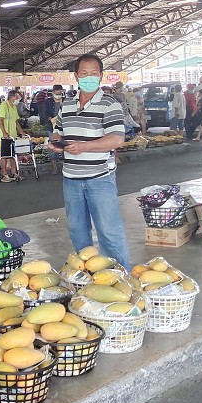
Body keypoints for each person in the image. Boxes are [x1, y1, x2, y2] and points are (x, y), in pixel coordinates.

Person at [50, 54, 129, 269]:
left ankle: (122, 278)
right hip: (71, 180)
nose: (89, 77)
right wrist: (55, 142)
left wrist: (84, 146)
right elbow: (58, 132)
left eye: (94, 73)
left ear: (101, 76)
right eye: (84, 73)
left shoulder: (109, 104)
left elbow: (117, 139)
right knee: (78, 233)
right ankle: (87, 279)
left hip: (100, 179)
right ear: (76, 76)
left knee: (109, 233)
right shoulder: (66, 105)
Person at [0, 90, 25, 183]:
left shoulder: (14, 107)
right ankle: (4, 174)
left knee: (13, 155)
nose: (18, 100)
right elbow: (0, 120)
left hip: (13, 135)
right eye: (17, 97)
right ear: (12, 97)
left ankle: (13, 173)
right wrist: (4, 132)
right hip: (4, 136)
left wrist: (21, 132)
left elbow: (16, 121)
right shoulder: (4, 105)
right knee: (4, 155)